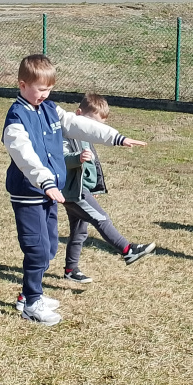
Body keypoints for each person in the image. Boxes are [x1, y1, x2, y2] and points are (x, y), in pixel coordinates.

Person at [3, 55, 147, 326]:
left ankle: (30, 293)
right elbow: (24, 155)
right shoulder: (16, 118)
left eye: (49, 89)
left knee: (49, 248)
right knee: (36, 249)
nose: (45, 95)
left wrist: (116, 138)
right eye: (41, 89)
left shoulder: (49, 109)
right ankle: (31, 303)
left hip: (50, 192)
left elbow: (78, 124)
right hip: (30, 192)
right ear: (22, 85)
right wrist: (45, 182)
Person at [61, 93, 155, 284]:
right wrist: (77, 158)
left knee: (79, 231)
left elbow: (91, 166)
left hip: (83, 189)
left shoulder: (87, 137)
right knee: (100, 218)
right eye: (92, 124)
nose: (94, 130)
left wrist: (94, 186)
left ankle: (71, 270)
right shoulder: (66, 133)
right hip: (74, 191)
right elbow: (61, 159)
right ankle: (127, 250)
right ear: (78, 114)